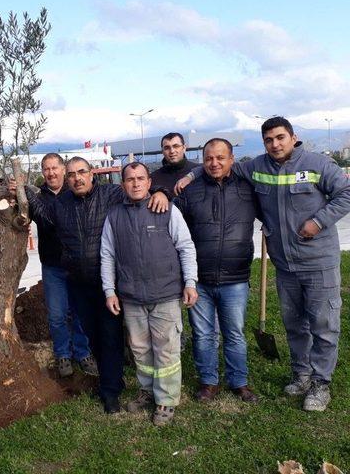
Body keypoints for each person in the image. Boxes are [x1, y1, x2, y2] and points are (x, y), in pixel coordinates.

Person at [176, 117, 350, 411]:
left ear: (293, 137)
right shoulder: (257, 166)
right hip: (285, 265)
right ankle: (302, 374)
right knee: (295, 324)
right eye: (268, 140)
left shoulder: (317, 165)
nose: (275, 144)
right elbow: (217, 164)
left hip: (318, 261)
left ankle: (321, 384)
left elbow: (346, 193)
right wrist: (189, 177)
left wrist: (319, 222)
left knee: (323, 324)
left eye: (280, 138)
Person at [21, 156, 169, 414]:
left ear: (92, 175)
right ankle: (112, 379)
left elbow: (136, 187)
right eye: (72, 175)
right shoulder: (61, 204)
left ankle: (110, 391)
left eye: (82, 172)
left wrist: (161, 192)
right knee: (93, 337)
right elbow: (43, 217)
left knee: (110, 336)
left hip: (107, 283)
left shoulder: (110, 195)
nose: (77, 178)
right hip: (77, 283)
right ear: (67, 180)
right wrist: (23, 190)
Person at [101, 162, 197, 425]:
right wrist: (110, 291)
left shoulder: (167, 209)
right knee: (141, 351)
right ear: (123, 185)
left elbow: (186, 247)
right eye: (130, 179)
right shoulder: (114, 216)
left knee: (166, 349)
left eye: (140, 178)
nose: (135, 183)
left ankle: (166, 400)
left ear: (148, 181)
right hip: (131, 298)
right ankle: (146, 390)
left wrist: (190, 282)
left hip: (165, 294)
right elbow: (107, 255)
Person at [175, 138, 259, 404]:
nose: (215, 163)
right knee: (203, 334)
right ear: (203, 161)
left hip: (235, 279)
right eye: (209, 158)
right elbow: (176, 230)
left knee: (234, 333)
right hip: (199, 279)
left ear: (232, 159)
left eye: (221, 157)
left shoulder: (249, 189)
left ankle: (239, 382)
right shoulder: (190, 192)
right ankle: (208, 381)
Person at [34, 153, 97, 377]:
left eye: (55, 168)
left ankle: (83, 352)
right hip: (53, 267)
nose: (51, 173)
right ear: (43, 172)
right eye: (46, 169)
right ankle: (62, 354)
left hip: (76, 265)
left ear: (63, 169)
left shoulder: (75, 192)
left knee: (79, 312)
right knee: (57, 315)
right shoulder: (37, 197)